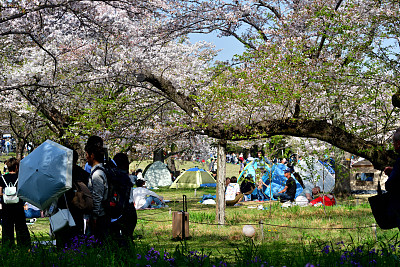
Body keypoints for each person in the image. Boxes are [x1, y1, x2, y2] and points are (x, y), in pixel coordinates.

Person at [55, 149, 90, 248]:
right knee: (77, 241)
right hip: (78, 211)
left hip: (62, 212)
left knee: (62, 242)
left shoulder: (59, 175)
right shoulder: (83, 174)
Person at [0, 158, 31, 248]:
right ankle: (24, 246)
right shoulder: (20, 178)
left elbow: (0, 192)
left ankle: (8, 247)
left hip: (6, 207)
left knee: (7, 228)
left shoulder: (2, 178)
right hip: (18, 207)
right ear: (17, 167)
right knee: (21, 227)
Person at [85, 135, 109, 242]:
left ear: (92, 155)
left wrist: (94, 217)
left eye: (87, 154)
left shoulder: (97, 174)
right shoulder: (98, 171)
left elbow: (97, 197)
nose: (86, 157)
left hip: (100, 217)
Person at [110, 152, 137, 245]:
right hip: (131, 211)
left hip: (123, 211)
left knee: (122, 240)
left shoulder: (119, 178)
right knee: (128, 239)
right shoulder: (127, 178)